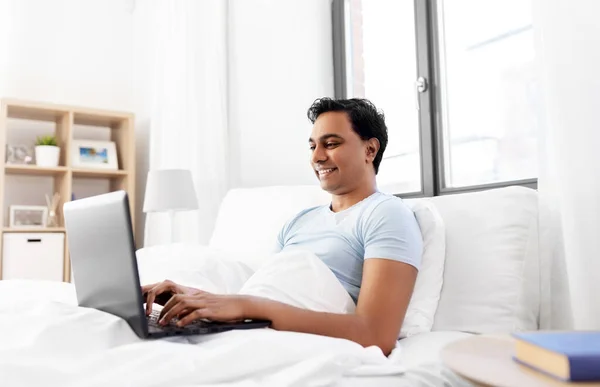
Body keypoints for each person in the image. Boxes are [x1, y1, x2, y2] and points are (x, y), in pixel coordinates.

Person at [143, 97, 423, 356]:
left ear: (370, 150)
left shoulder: (386, 213)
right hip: (253, 325)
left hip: (284, 338)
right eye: (313, 146)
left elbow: (376, 334)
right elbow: (265, 294)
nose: (317, 157)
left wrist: (247, 307)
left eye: (332, 144)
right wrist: (195, 297)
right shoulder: (300, 221)